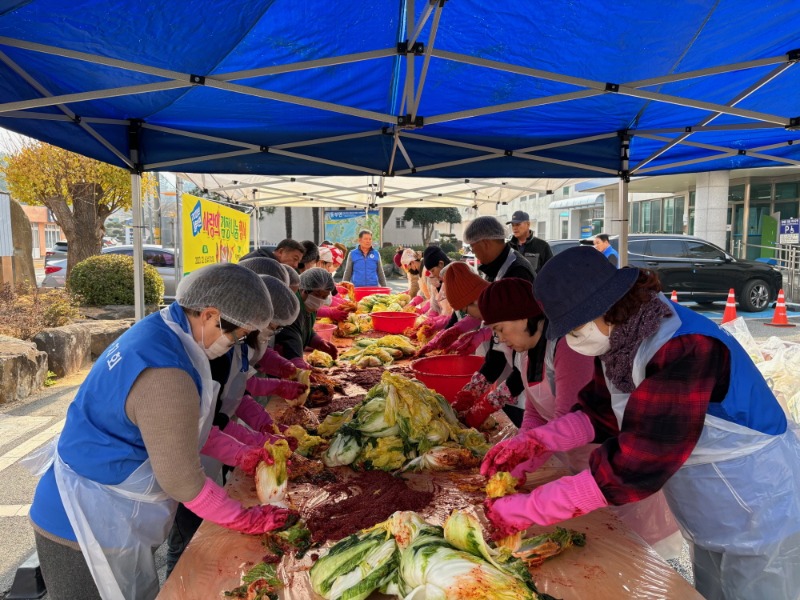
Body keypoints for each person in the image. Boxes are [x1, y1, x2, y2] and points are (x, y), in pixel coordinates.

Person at [483, 246, 800, 600]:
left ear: (606, 306)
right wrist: (535, 442)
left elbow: (638, 462)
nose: (573, 341)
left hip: (760, 503)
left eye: (575, 329)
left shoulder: (685, 347)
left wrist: (531, 508)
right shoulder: (621, 343)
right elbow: (599, 413)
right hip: (706, 504)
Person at [29, 264, 293, 600]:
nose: (235, 344)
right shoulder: (165, 370)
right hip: (85, 519)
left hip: (109, 504)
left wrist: (242, 453)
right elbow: (182, 481)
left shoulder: (164, 334)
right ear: (210, 314)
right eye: (236, 335)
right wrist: (246, 519)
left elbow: (182, 428)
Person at [275, 267, 339, 366]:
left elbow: (304, 328)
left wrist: (317, 341)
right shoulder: (292, 308)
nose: (319, 300)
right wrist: (297, 363)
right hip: (279, 363)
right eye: (316, 294)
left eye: (324, 297)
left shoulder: (308, 306)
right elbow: (291, 337)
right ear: (303, 289)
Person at [463, 216, 535, 283]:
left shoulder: (517, 273)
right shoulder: (497, 264)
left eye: (472, 246)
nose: (472, 251)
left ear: (485, 243)